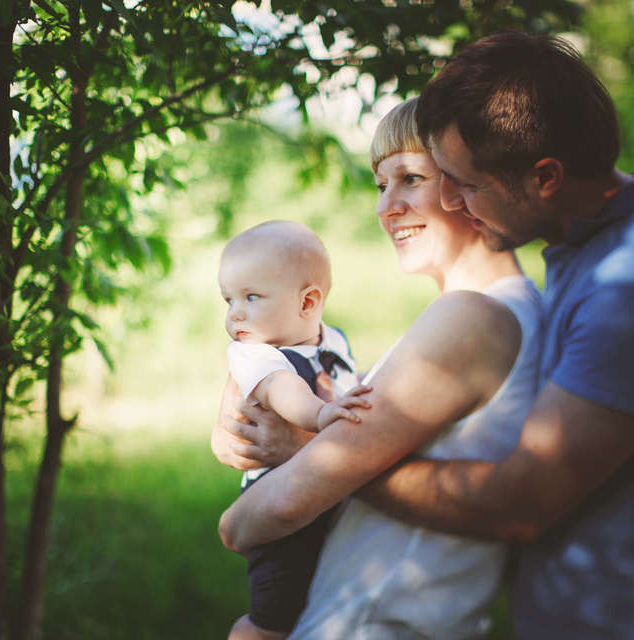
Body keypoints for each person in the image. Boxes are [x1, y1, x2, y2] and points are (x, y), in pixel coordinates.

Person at [219, 30, 634, 639]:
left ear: (545, 177)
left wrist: (315, 459)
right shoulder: (584, 253)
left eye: (454, 180)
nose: (453, 201)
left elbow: (524, 500)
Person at [214, 97, 544, 638]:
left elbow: (286, 502)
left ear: (468, 183)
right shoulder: (507, 307)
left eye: (410, 178)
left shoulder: (471, 316)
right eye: (379, 183)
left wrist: (234, 520)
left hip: (374, 621)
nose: (385, 207)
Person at [218, 220, 368, 640]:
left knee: (321, 605)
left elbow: (350, 384)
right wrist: (321, 415)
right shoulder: (254, 356)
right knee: (276, 615)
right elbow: (283, 390)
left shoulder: (334, 342)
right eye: (228, 299)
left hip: (325, 499)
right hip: (278, 507)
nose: (235, 313)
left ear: (308, 302)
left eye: (251, 297)